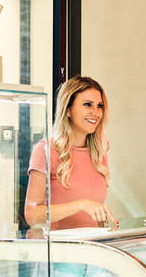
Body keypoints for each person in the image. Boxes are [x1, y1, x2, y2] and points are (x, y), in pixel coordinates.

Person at [24, 76, 118, 230]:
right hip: (61, 249)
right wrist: (81, 204)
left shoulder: (99, 156)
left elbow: (94, 216)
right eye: (88, 104)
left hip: (93, 246)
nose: (96, 112)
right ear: (68, 109)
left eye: (99, 106)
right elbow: (32, 214)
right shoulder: (45, 151)